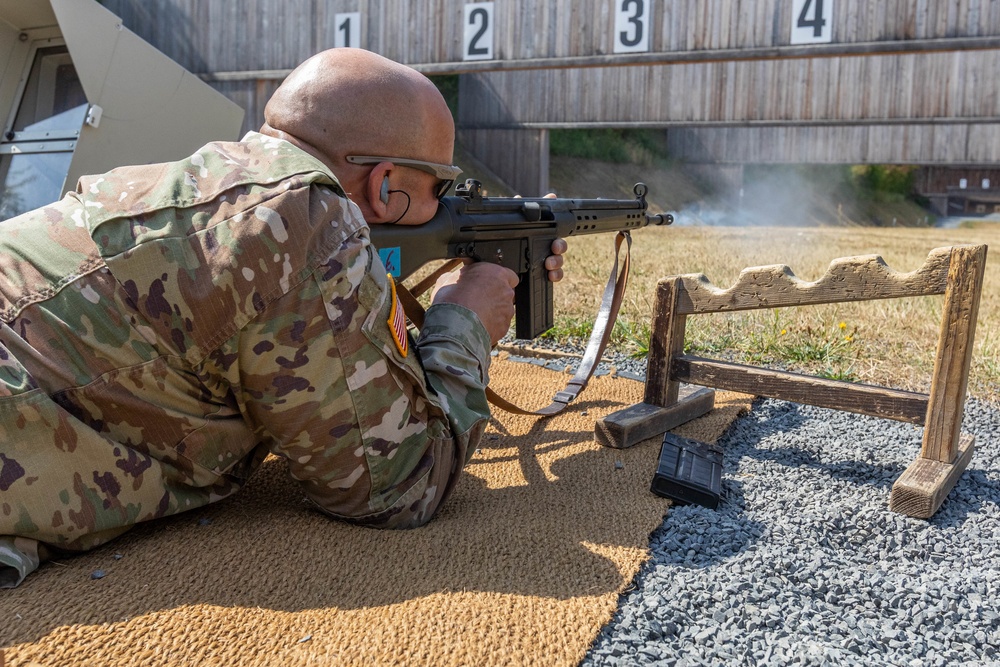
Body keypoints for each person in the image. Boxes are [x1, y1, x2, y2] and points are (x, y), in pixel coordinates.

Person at [0, 48, 566, 588]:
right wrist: (462, 320)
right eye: (439, 187)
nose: (445, 202)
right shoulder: (307, 221)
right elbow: (397, 486)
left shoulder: (214, 180)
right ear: (385, 184)